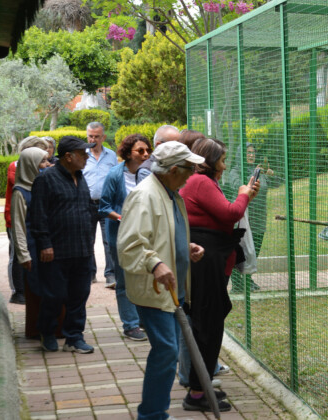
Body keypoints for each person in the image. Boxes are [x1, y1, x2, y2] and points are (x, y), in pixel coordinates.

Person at [117, 141, 206, 420]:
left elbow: (162, 233)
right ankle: (152, 414)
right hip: (154, 290)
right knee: (167, 350)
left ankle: (153, 412)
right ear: (174, 169)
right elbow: (129, 245)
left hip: (171, 290)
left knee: (168, 350)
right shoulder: (145, 195)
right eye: (190, 168)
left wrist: (184, 247)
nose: (193, 173)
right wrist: (155, 263)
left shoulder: (170, 193)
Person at [179, 137, 259, 412]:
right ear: (210, 162)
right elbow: (230, 213)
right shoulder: (200, 181)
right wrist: (243, 194)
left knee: (210, 322)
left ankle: (200, 387)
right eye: (222, 161)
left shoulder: (201, 181)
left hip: (212, 261)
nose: (224, 167)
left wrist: (245, 196)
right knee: (208, 325)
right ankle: (197, 393)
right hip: (206, 263)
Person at [28, 136, 98, 353]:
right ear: (68, 157)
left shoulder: (81, 177)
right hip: (56, 251)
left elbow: (86, 208)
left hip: (82, 249)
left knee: (80, 294)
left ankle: (74, 337)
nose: (87, 157)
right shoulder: (46, 179)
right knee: (55, 295)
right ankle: (47, 332)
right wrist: (45, 244)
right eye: (83, 153)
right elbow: (38, 215)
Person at [99, 134, 153, 341]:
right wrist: (122, 217)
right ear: (128, 152)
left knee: (142, 275)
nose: (146, 154)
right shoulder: (115, 174)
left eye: (148, 150)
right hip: (120, 233)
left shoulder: (147, 173)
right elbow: (104, 207)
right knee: (123, 279)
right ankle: (130, 325)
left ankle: (141, 320)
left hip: (143, 232)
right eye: (140, 151)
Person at [3, 136, 50, 305]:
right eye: (42, 160)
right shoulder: (20, 185)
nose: (47, 164)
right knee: (18, 257)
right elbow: (19, 226)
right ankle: (18, 291)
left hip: (38, 237)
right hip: (21, 228)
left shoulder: (43, 184)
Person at [224, 142, 274, 292]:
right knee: (238, 251)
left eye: (253, 152)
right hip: (242, 218)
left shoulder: (260, 171)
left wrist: (269, 173)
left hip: (259, 218)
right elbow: (240, 187)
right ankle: (237, 283)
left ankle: (248, 280)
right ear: (241, 155)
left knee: (254, 250)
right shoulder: (235, 171)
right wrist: (254, 175)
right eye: (248, 152)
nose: (251, 155)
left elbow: (270, 185)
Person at [83, 122, 119, 287]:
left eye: (97, 136)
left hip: (106, 205)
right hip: (87, 204)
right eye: (91, 136)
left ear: (103, 137)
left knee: (109, 240)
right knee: (87, 240)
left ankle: (110, 275)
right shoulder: (82, 155)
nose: (93, 139)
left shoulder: (111, 156)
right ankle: (89, 274)